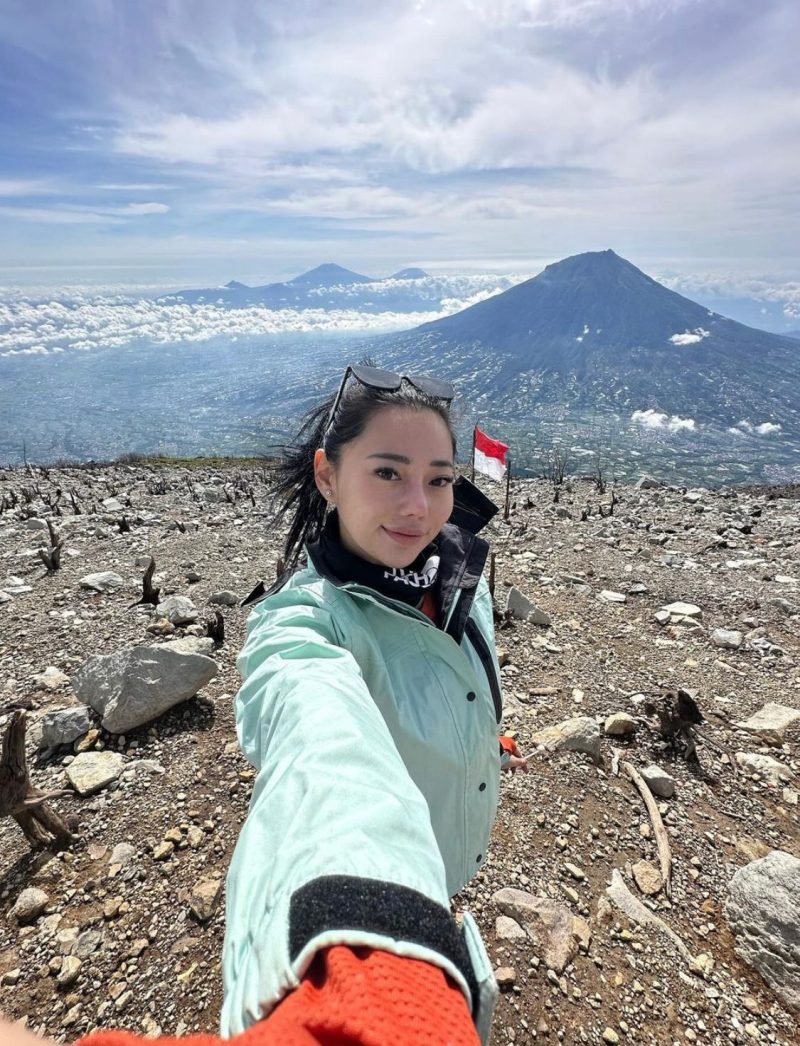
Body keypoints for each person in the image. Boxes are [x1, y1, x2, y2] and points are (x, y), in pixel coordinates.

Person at [3, 365, 527, 1046]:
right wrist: (375, 954)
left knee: (445, 889)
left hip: (450, 844)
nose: (419, 507)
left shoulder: (458, 571)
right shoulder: (302, 626)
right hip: (385, 869)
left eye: (439, 478)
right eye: (388, 473)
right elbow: (324, 746)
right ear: (327, 475)